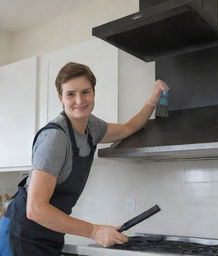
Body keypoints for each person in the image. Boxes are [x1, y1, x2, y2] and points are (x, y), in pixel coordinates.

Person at [0, 62, 169, 256]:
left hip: (50, 234)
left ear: (94, 93)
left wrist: (153, 99)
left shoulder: (92, 127)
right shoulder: (55, 139)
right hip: (21, 235)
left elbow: (128, 128)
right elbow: (35, 209)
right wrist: (94, 231)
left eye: (85, 92)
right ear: (60, 98)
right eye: (70, 94)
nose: (80, 100)